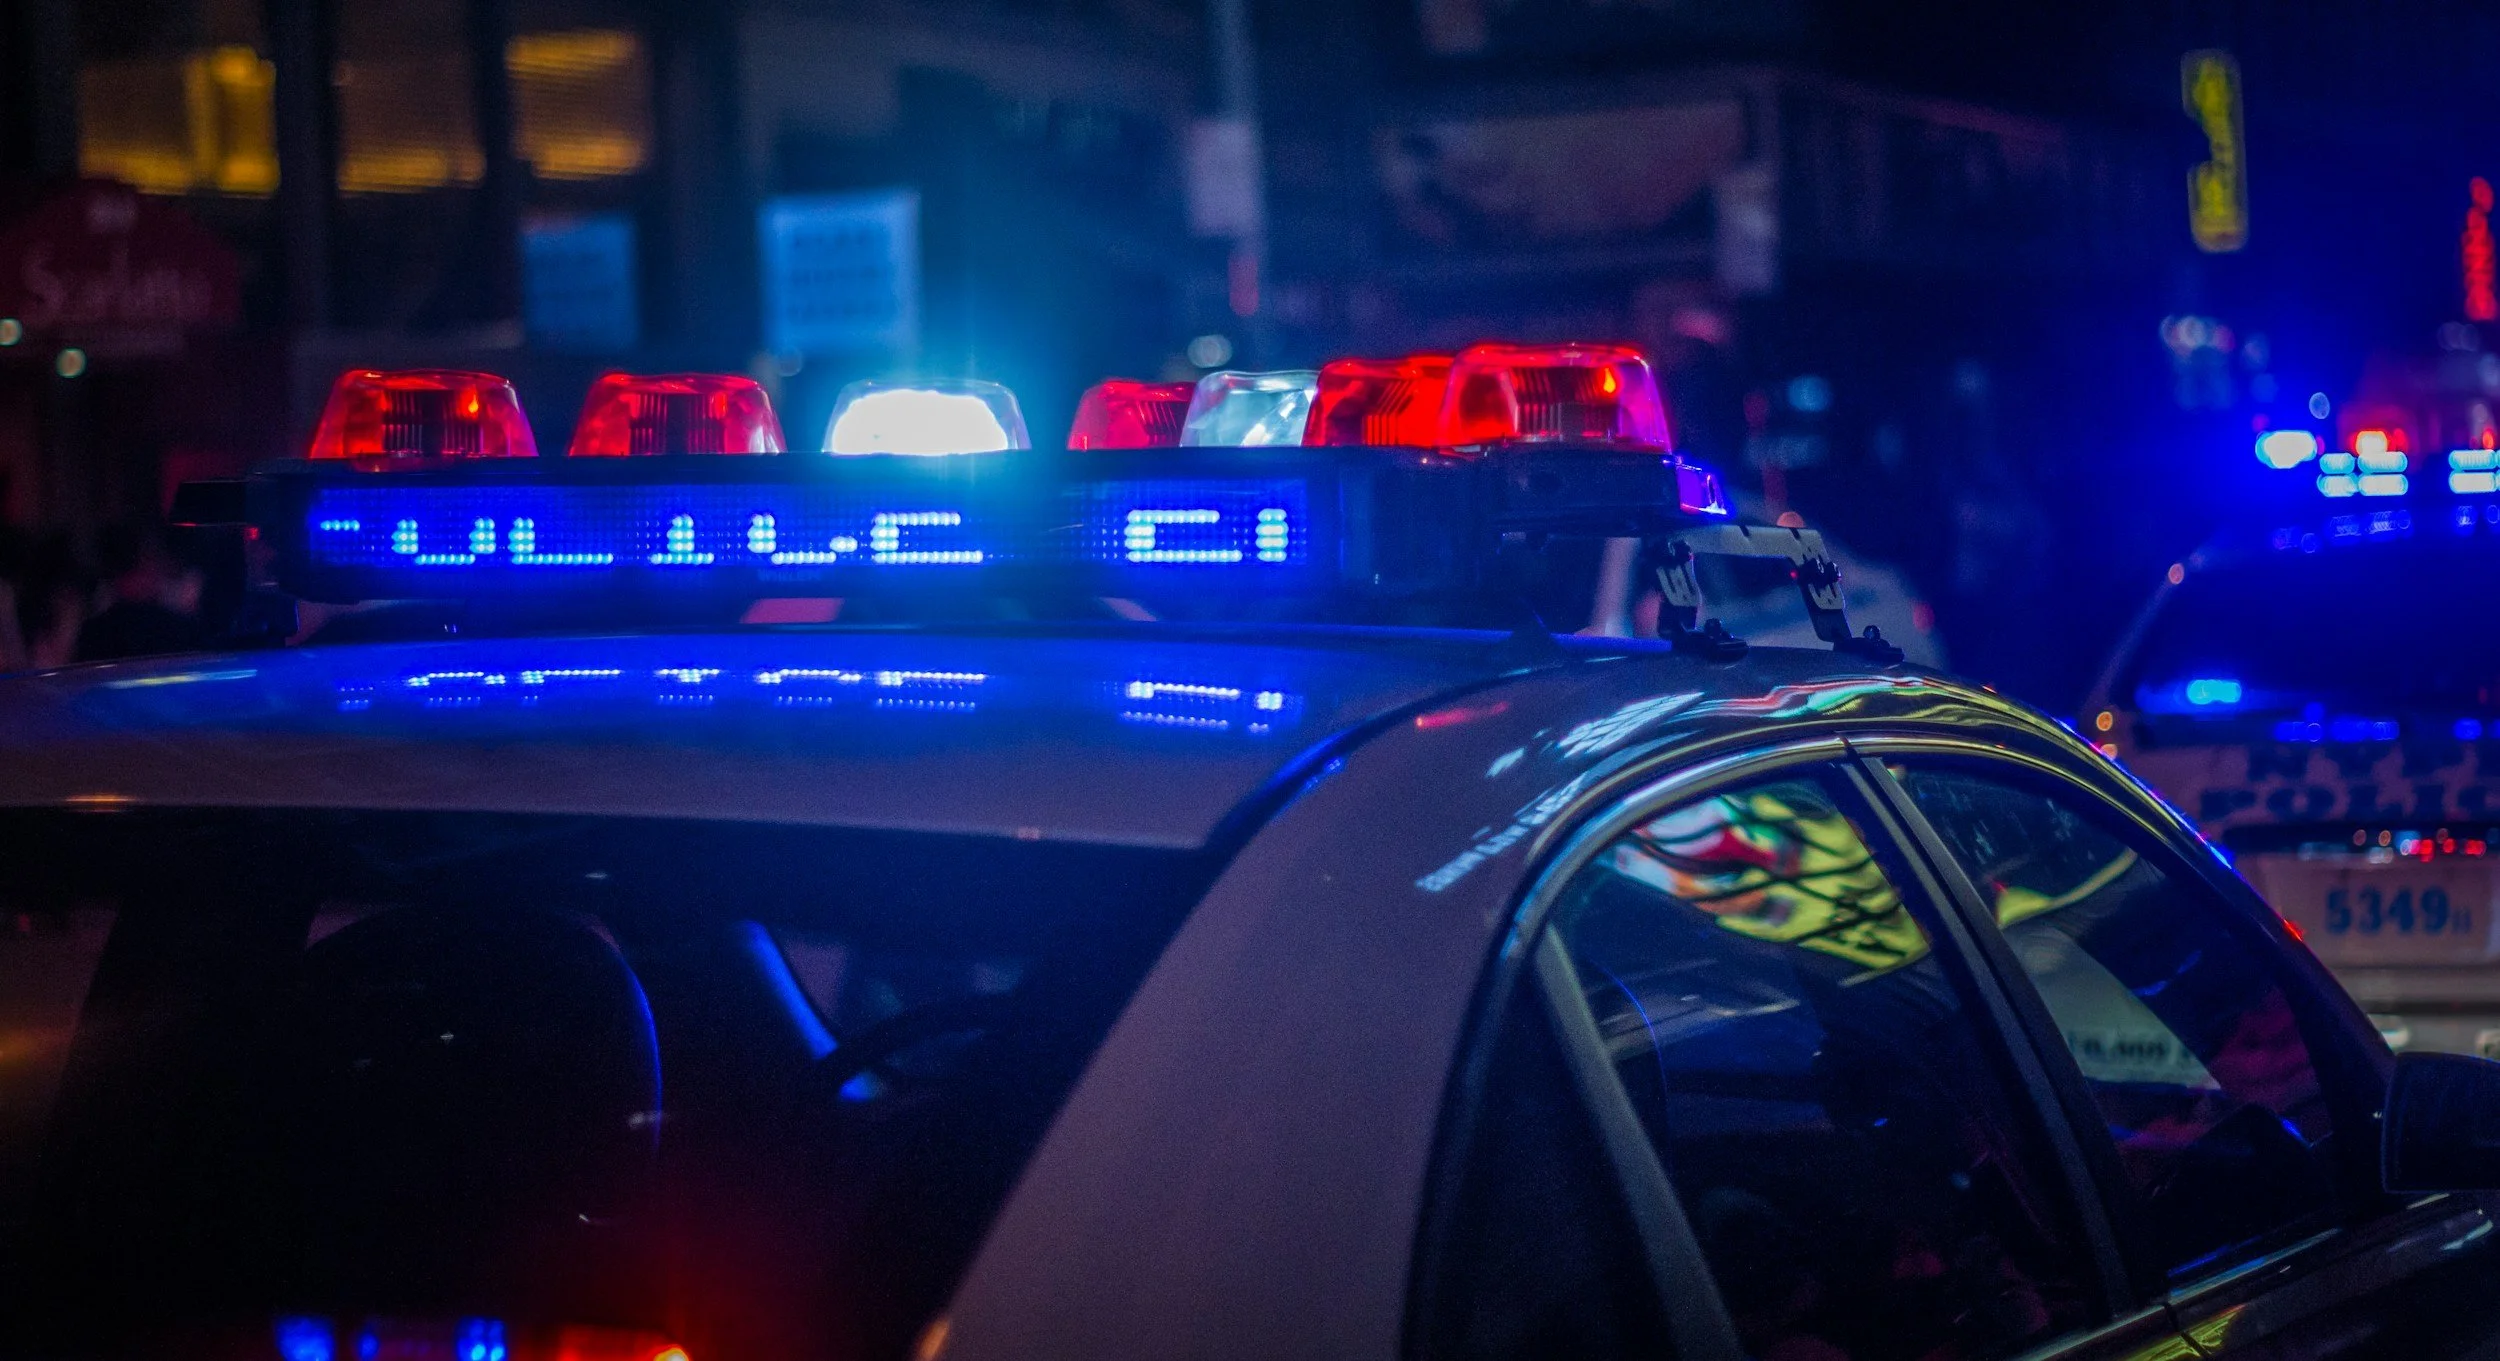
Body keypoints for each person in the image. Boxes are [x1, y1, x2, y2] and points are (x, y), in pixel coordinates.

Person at [74, 522, 209, 662]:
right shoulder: (176, 630)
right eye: (154, 558)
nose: (159, 570)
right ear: (143, 564)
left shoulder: (91, 632)